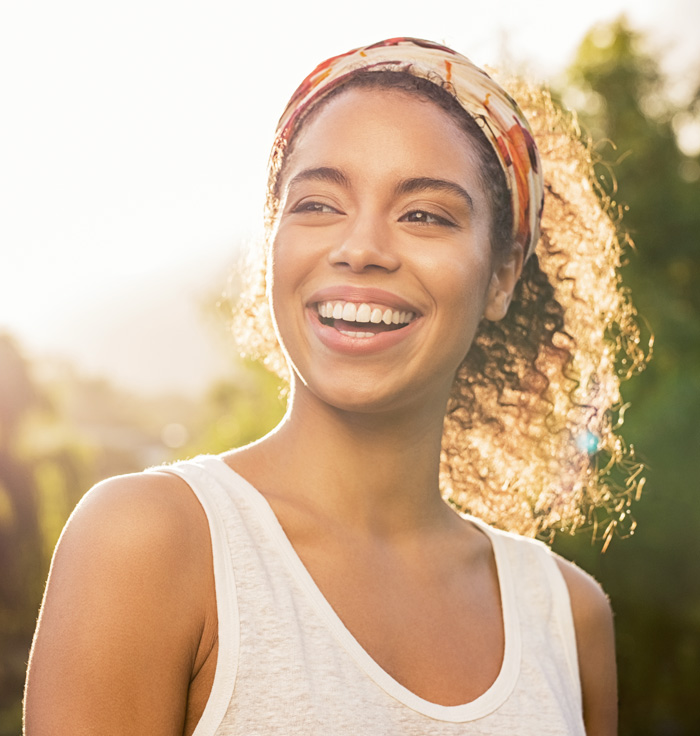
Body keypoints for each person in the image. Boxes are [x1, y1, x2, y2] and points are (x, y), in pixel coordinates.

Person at [24, 37, 645, 735]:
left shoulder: (567, 616)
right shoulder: (149, 542)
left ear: (501, 275)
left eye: (424, 215)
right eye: (318, 204)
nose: (360, 248)